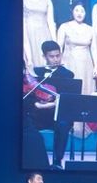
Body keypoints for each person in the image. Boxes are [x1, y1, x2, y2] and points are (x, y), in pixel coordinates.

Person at [30, 40, 78, 168]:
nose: (56, 59)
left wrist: (48, 105)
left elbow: (67, 100)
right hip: (39, 114)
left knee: (64, 124)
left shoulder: (67, 74)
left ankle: (57, 162)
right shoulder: (36, 73)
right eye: (52, 56)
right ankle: (34, 161)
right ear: (44, 56)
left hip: (56, 114)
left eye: (58, 56)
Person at [57, 3, 97, 96]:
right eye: (77, 10)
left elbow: (94, 49)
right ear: (72, 11)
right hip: (69, 64)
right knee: (71, 90)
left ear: (86, 13)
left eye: (82, 11)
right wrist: (58, 64)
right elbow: (59, 47)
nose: (79, 13)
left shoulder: (90, 29)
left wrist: (95, 66)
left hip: (86, 65)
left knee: (86, 90)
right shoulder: (64, 27)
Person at [23, 0, 56, 70]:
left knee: (46, 66)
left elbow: (50, 22)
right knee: (31, 65)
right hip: (28, 34)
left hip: (44, 35)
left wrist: (55, 43)